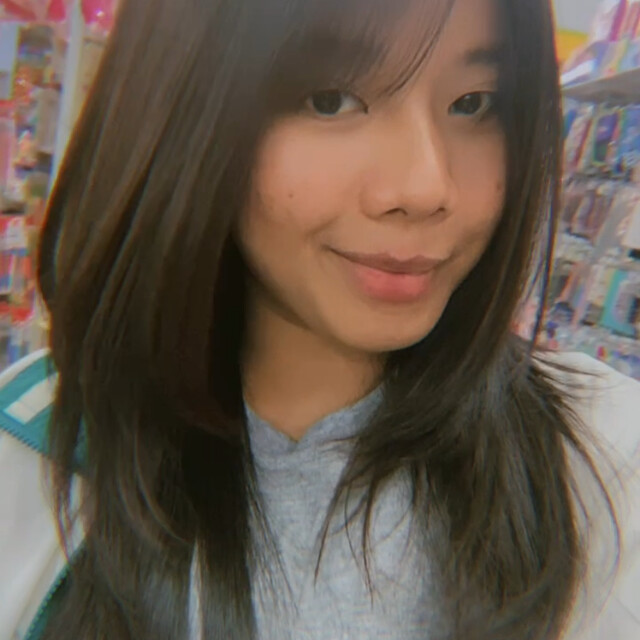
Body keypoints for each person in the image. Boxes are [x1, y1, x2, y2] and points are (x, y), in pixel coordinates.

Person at [0, 0, 638, 638]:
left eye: (474, 104)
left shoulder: (603, 464)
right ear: (183, 109)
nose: (425, 187)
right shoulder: (31, 449)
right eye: (330, 101)